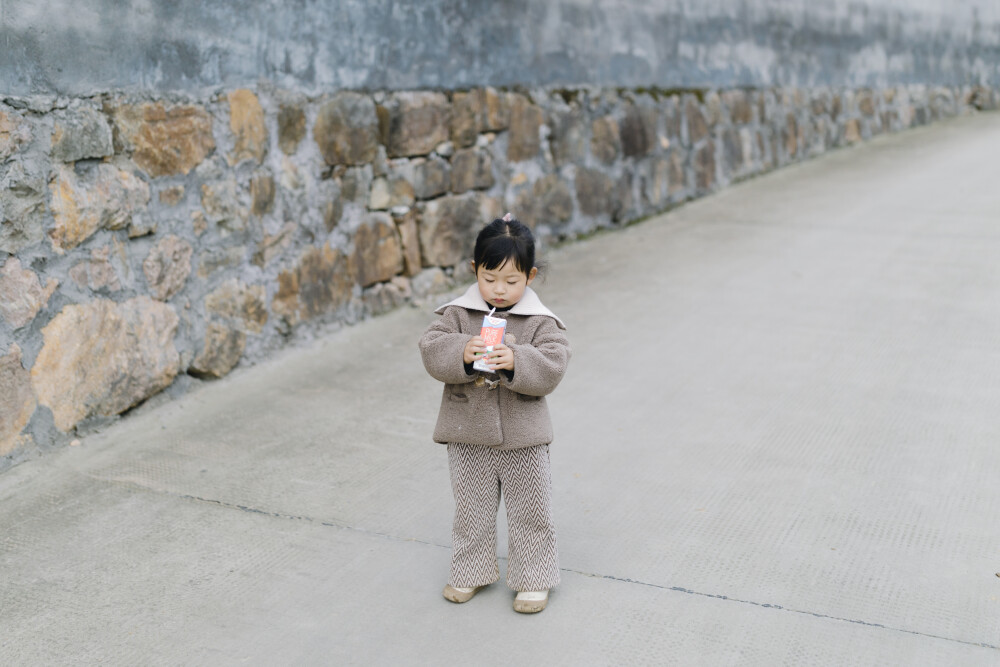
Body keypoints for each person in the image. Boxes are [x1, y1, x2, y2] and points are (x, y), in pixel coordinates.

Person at [418, 214, 571, 614]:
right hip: (467, 431)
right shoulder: (456, 314)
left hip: (524, 436)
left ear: (530, 276)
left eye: (511, 280)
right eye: (490, 278)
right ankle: (471, 570)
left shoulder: (540, 321)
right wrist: (461, 352)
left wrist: (517, 359)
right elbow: (431, 347)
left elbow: (555, 364)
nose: (499, 290)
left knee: (531, 508)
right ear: (474, 270)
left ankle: (534, 578)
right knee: (471, 508)